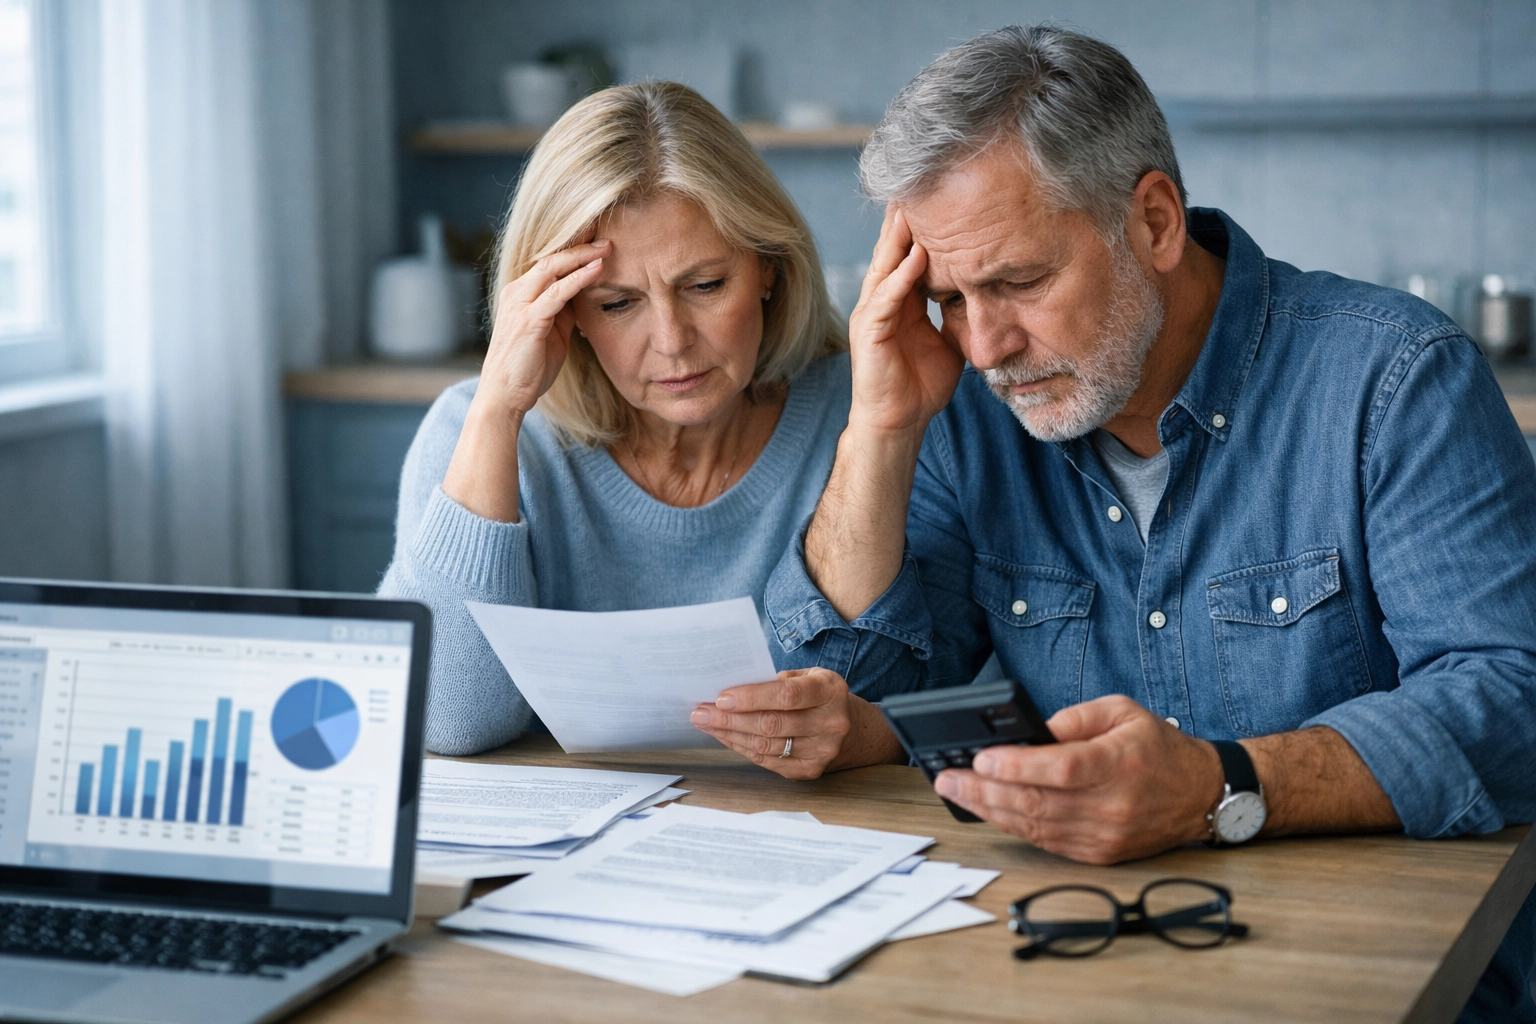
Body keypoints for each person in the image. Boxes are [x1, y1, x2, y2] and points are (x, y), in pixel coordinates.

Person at [761, 26, 1536, 1022]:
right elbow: (863, 699)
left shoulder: (1393, 380)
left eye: (1019, 281)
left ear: (1156, 222)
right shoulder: (963, 410)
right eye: (950, 297)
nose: (987, 345)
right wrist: (880, 423)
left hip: (1374, 981)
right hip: (1074, 974)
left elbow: (1516, 702)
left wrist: (1223, 785)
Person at [378, 82, 903, 777]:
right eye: (618, 302)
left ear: (769, 268)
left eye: (705, 286)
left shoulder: (869, 408)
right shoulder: (477, 434)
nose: (673, 342)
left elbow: (910, 699)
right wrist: (499, 409)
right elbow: (449, 719)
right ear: (565, 313)